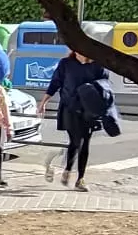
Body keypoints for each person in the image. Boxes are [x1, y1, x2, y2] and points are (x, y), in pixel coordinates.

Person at [42, 48, 117, 191]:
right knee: (76, 141)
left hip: (89, 110)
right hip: (69, 108)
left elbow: (105, 87)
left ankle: (80, 179)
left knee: (85, 143)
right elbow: (56, 82)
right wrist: (44, 102)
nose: (81, 54)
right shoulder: (66, 63)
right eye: (78, 51)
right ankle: (68, 169)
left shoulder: (98, 66)